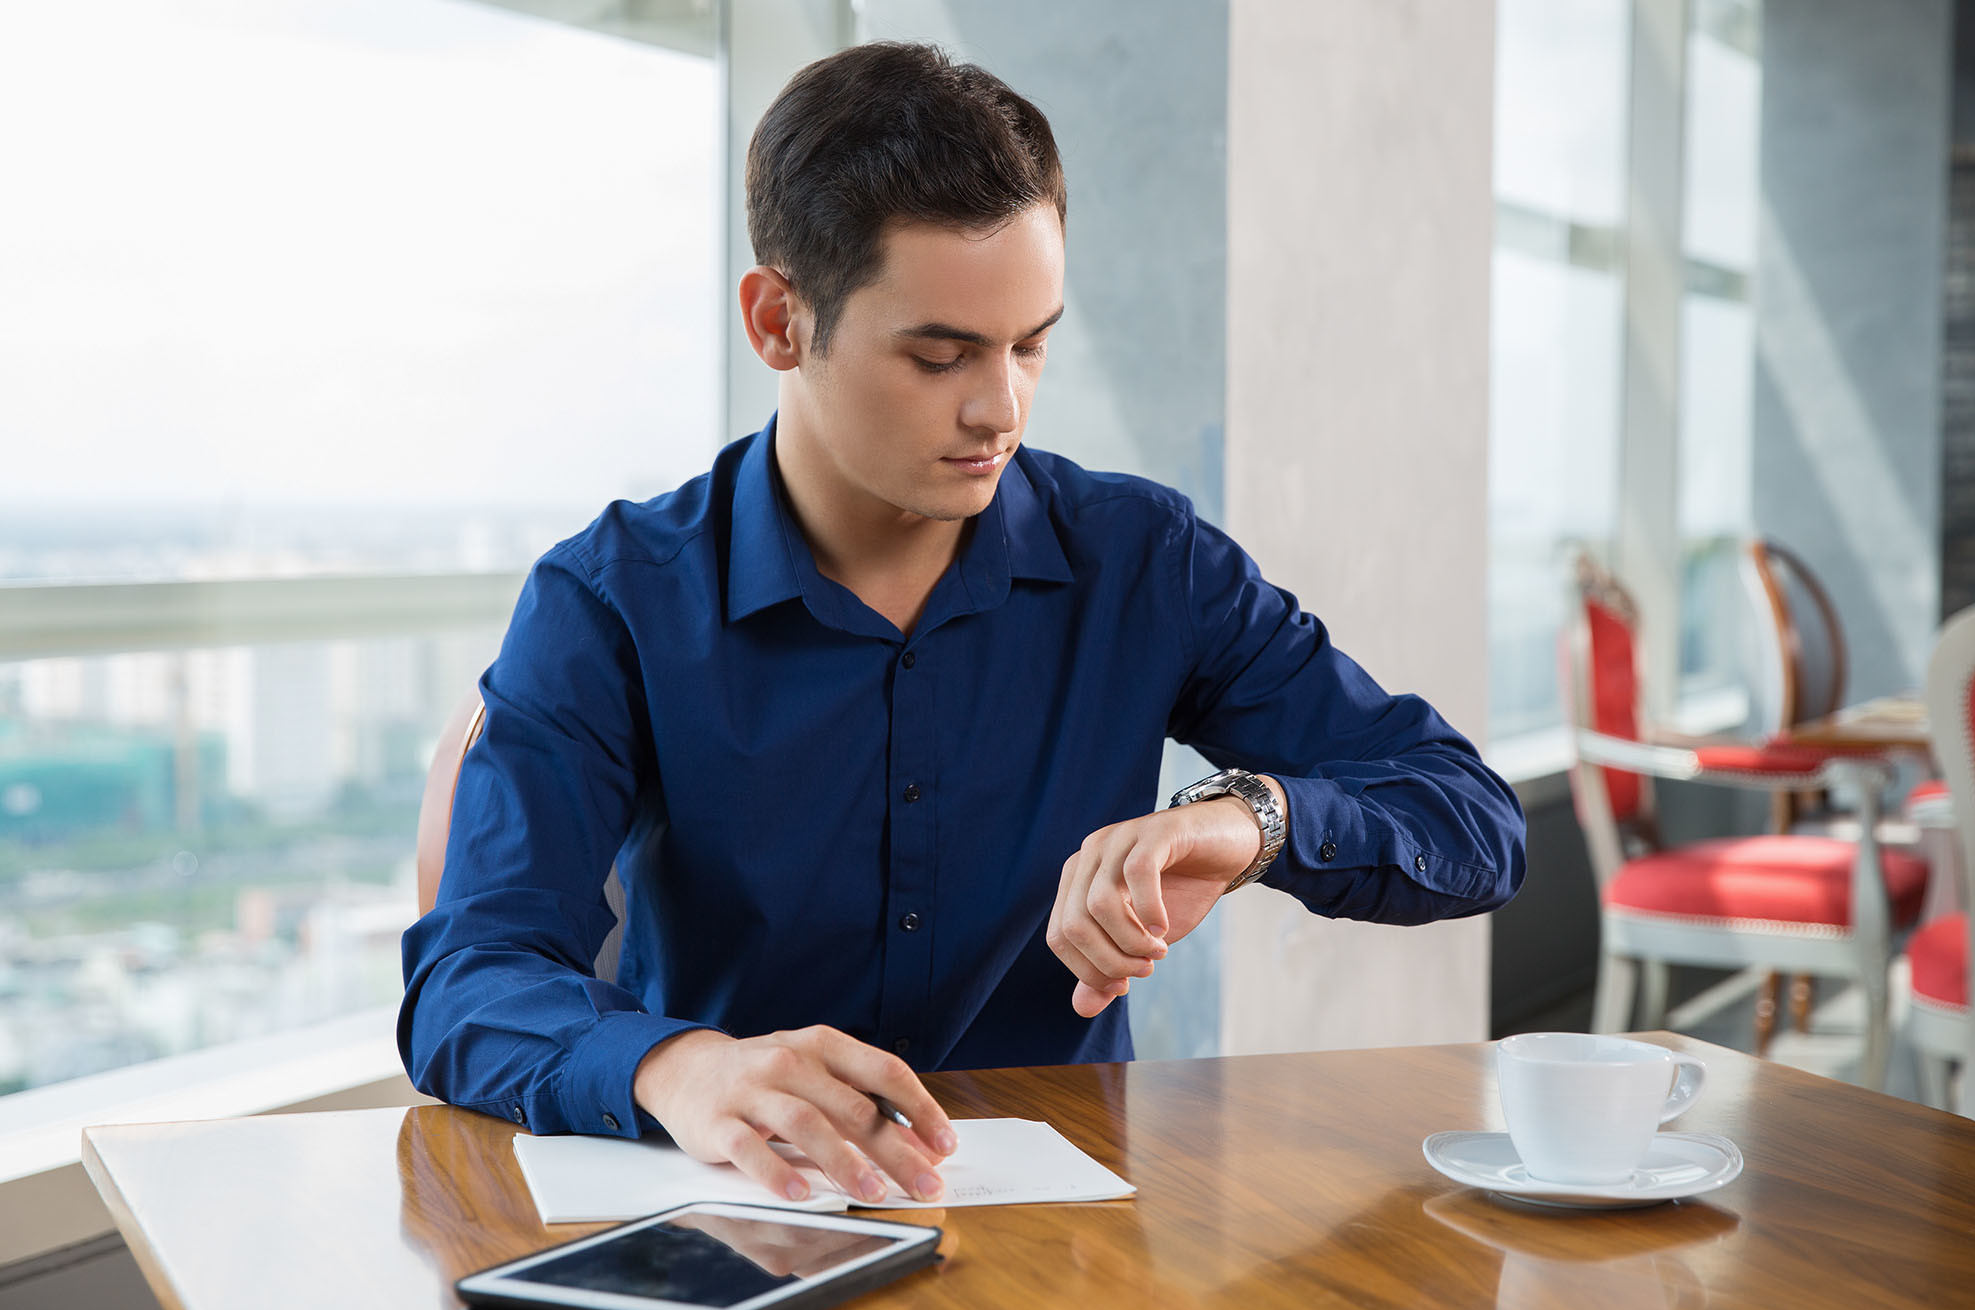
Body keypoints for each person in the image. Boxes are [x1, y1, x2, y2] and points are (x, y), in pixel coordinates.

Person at [399, 41, 1525, 1211]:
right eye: (939, 355)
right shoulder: (610, 599)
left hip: (1064, 1249)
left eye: (1030, 343)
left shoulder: (1144, 563)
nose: (1000, 408)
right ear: (779, 320)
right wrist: (683, 1068)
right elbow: (466, 981)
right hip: (734, 1221)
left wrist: (1253, 820)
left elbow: (1471, 819)